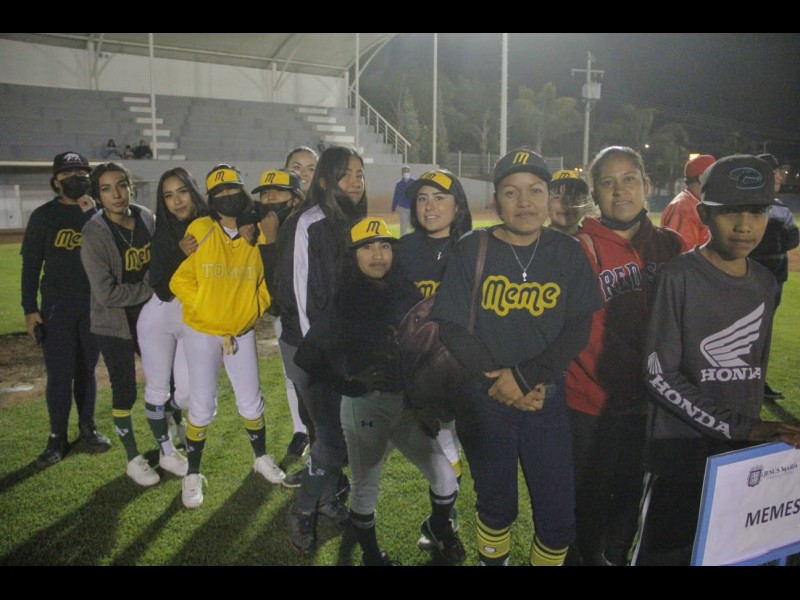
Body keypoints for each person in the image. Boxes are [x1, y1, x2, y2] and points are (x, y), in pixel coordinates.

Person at [432, 148, 602, 566]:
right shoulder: (472, 247)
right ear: (496, 201)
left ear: (549, 198)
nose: (524, 202)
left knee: (558, 519)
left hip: (546, 399)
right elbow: (451, 326)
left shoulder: (567, 251)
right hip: (486, 400)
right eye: (511, 192)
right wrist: (501, 382)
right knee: (496, 507)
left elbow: (578, 327)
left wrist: (525, 380)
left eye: (535, 190)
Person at [631, 154, 800, 566]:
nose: (744, 225)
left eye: (757, 211)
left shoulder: (764, 283)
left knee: (727, 553)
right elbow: (659, 374)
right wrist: (744, 426)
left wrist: (747, 431)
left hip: (738, 455)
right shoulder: (679, 276)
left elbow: (752, 370)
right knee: (666, 554)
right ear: (705, 214)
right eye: (730, 212)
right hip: (679, 452)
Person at [295, 216, 466, 566]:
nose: (377, 254)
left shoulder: (406, 290)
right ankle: (372, 557)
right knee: (365, 489)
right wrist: (350, 384)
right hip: (365, 408)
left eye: (385, 245)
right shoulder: (344, 299)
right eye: (367, 247)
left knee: (446, 478)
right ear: (353, 255)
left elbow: (420, 353)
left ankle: (438, 527)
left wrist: (422, 402)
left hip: (406, 406)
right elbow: (307, 357)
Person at [565, 147, 689, 566]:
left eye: (629, 179)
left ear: (647, 185)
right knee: (589, 496)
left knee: (635, 495)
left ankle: (616, 556)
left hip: (654, 404)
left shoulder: (672, 245)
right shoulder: (579, 248)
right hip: (592, 403)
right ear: (596, 194)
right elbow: (588, 330)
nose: (620, 191)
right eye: (608, 182)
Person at [170, 164, 286, 508]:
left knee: (251, 399)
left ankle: (260, 457)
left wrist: (251, 310)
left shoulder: (258, 232)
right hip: (202, 331)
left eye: (232, 189)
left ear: (242, 190)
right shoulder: (200, 229)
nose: (226, 196)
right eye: (218, 193)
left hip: (241, 331)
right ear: (210, 199)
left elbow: (266, 283)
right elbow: (180, 280)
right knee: (202, 404)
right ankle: (193, 473)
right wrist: (207, 309)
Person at [280, 145, 367, 552]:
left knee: (339, 435)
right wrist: (322, 356)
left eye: (360, 174)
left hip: (344, 350)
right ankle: (303, 510)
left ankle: (328, 500)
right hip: (309, 348)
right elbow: (300, 296)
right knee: (331, 436)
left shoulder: (356, 223)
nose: (355, 181)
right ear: (325, 180)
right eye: (345, 173)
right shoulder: (307, 222)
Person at [393, 168, 472, 551]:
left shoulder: (475, 247)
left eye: (440, 197)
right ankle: (444, 520)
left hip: (468, 366)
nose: (429, 206)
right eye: (422, 198)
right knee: (443, 445)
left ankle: (449, 519)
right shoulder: (401, 249)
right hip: (420, 369)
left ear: (458, 205)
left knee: (461, 445)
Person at [21, 151, 111, 468]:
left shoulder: (99, 214)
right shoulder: (43, 216)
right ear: (56, 181)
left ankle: (88, 428)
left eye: (81, 173)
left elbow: (112, 250)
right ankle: (56, 437)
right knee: (60, 374)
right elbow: (31, 266)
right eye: (68, 174)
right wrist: (30, 308)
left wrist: (93, 214)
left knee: (87, 370)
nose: (76, 179)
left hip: (93, 306)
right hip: (57, 308)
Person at [81, 162, 158, 486]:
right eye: (106, 188)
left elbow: (160, 260)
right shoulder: (94, 233)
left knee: (164, 379)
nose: (116, 194)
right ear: (97, 196)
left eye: (122, 185)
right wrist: (150, 289)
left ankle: (171, 433)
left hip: (150, 317)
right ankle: (132, 458)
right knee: (125, 390)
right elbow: (107, 294)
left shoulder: (146, 218)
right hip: (113, 325)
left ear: (131, 187)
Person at [136, 168, 210, 479]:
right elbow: (163, 289)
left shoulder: (210, 225)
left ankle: (171, 415)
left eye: (182, 191)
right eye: (168, 195)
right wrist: (181, 254)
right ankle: (166, 452)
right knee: (157, 389)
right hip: (161, 319)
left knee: (187, 394)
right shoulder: (164, 236)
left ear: (193, 191)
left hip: (192, 321)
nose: (177, 201)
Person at [250, 167, 310, 465]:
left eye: (278, 193)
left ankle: (319, 435)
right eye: (265, 194)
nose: (270, 197)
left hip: (306, 315)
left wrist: (271, 241)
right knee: (292, 377)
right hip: (283, 315)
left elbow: (282, 284)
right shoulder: (259, 224)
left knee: (312, 379)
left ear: (295, 199)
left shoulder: (302, 227)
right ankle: (302, 431)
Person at [750, 153, 799, 401]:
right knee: (755, 332)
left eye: (778, 172)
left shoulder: (777, 205)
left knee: (760, 332)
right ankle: (750, 382)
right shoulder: (771, 206)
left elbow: (793, 239)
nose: (779, 176)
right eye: (774, 172)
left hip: (771, 279)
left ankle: (756, 381)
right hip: (757, 280)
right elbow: (792, 238)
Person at [660, 154, 716, 248]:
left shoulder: (695, 202)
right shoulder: (684, 207)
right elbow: (681, 252)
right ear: (702, 178)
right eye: (715, 176)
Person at [547, 169, 591, 236]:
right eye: (557, 197)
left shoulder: (593, 240)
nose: (565, 204)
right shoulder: (535, 240)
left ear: (584, 205)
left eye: (574, 197)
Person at [391, 165, 415, 237]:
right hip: (403, 208)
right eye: (404, 171)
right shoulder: (399, 184)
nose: (406, 173)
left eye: (407, 171)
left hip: (413, 207)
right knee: (403, 227)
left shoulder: (414, 182)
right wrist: (393, 208)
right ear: (401, 173)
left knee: (414, 226)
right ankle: (402, 241)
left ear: (410, 172)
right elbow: (396, 196)